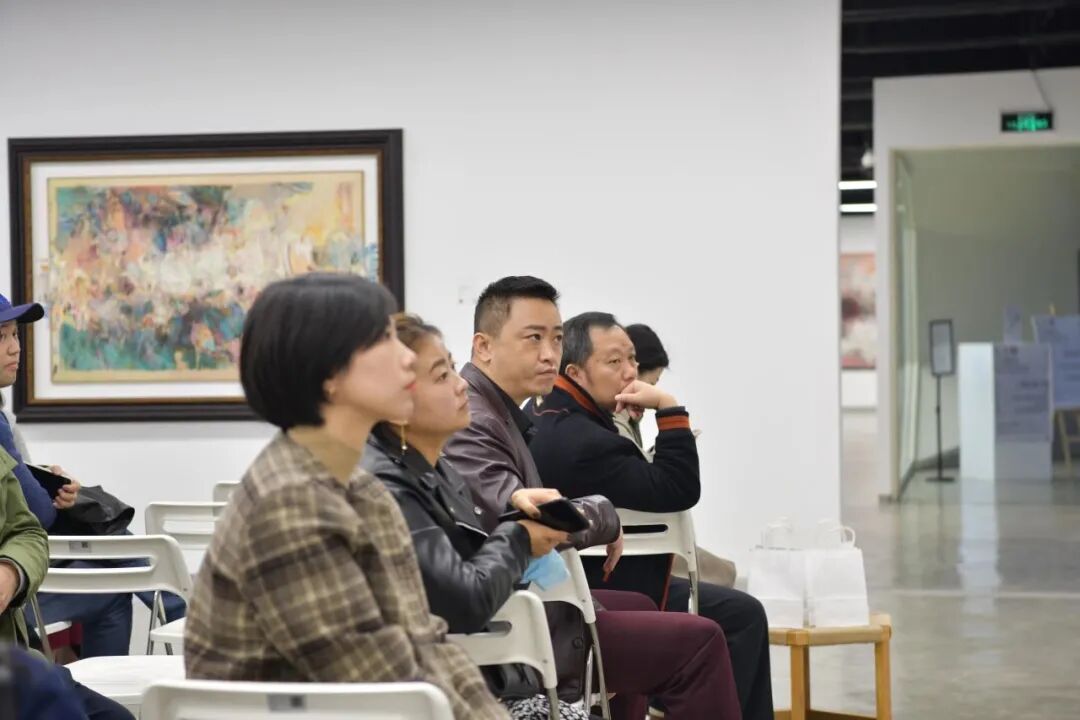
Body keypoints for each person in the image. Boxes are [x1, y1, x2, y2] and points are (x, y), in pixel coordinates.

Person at [184, 273, 508, 720]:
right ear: (329, 375)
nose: (406, 359)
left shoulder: (363, 489)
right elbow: (377, 681)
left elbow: (427, 640)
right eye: (384, 340)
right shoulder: (290, 502)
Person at [443, 278, 742, 720]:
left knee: (643, 605)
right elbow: (528, 518)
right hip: (511, 619)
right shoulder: (474, 417)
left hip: (529, 598)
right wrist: (604, 515)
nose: (549, 353)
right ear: (483, 347)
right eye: (533, 338)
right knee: (703, 641)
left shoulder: (508, 413)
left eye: (556, 339)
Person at [526, 311, 774, 720]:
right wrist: (669, 408)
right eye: (614, 362)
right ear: (576, 372)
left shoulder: (542, 415)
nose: (629, 372)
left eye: (632, 360)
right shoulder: (587, 440)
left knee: (730, 605)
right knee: (741, 616)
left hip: (586, 583)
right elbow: (679, 489)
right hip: (593, 588)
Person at [0, 297, 182, 659]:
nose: (14, 347)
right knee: (115, 566)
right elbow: (38, 514)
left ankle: (183, 612)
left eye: (15, 334)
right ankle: (183, 613)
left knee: (111, 573)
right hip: (18, 585)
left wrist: (43, 480)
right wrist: (47, 494)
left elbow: (23, 492)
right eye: (1, 337)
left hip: (23, 569)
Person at [616, 323, 737, 589]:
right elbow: (642, 481)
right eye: (651, 384)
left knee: (724, 573)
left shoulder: (622, 418)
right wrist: (668, 411)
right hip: (636, 544)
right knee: (727, 579)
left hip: (637, 538)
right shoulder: (614, 419)